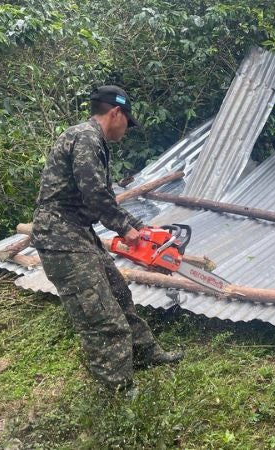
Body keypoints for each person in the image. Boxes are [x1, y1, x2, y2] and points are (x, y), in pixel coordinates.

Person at [31, 85, 183, 392]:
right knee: (100, 316)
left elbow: (105, 197)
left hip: (78, 232)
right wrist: (125, 230)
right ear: (116, 113)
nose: (127, 129)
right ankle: (118, 390)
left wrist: (140, 228)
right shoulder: (86, 138)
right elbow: (95, 193)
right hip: (61, 237)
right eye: (127, 121)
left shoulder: (90, 140)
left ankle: (144, 354)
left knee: (118, 293)